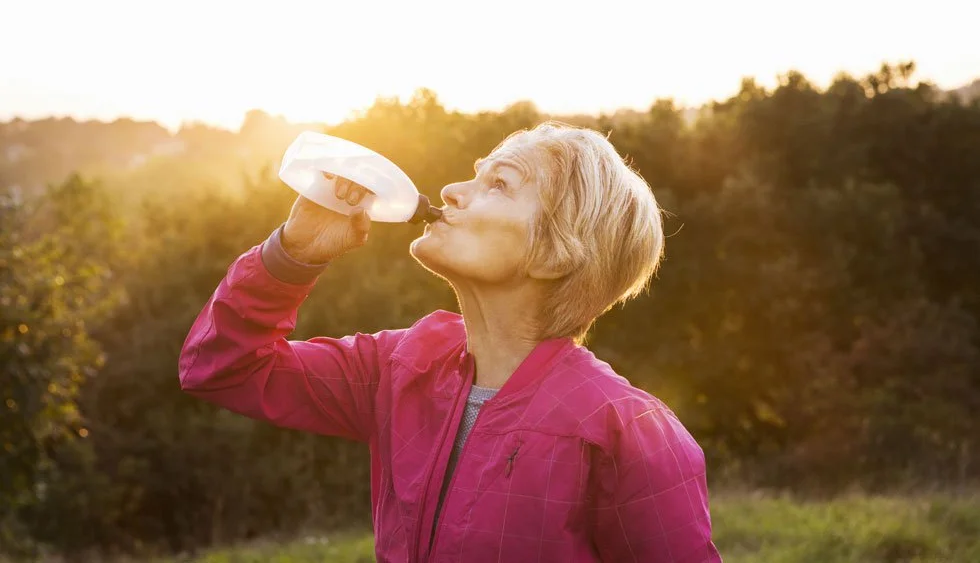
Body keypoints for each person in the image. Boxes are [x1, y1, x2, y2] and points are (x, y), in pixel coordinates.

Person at [179, 121, 722, 562]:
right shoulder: (399, 369)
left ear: (557, 252)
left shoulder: (626, 433)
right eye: (475, 175)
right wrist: (293, 254)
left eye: (499, 184)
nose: (449, 192)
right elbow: (223, 367)